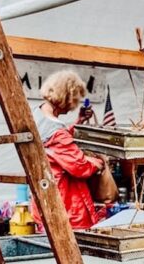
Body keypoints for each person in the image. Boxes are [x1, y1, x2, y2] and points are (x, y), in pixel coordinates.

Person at [30, 70, 106, 230]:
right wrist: (98, 162)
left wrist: (78, 122)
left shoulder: (37, 114)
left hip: (44, 198)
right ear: (66, 97)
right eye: (75, 100)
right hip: (65, 205)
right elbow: (80, 167)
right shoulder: (56, 132)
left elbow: (57, 145)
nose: (74, 106)